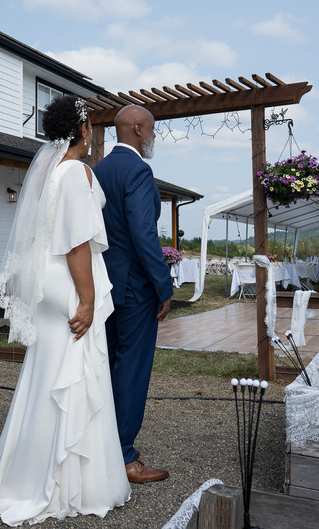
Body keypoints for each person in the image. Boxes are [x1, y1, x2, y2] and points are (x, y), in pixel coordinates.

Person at [0, 96, 129, 525]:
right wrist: (88, 301)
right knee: (77, 370)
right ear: (83, 131)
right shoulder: (78, 173)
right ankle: (67, 483)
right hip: (70, 282)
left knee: (47, 373)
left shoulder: (47, 174)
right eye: (91, 128)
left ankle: (29, 472)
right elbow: (75, 243)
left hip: (47, 282)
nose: (92, 136)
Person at [93, 104, 174, 483]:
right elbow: (145, 235)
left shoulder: (98, 170)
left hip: (102, 284)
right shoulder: (138, 171)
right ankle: (124, 458)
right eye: (152, 129)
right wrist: (164, 285)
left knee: (107, 365)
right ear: (138, 128)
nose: (154, 136)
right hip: (135, 288)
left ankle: (102, 445)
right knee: (132, 369)